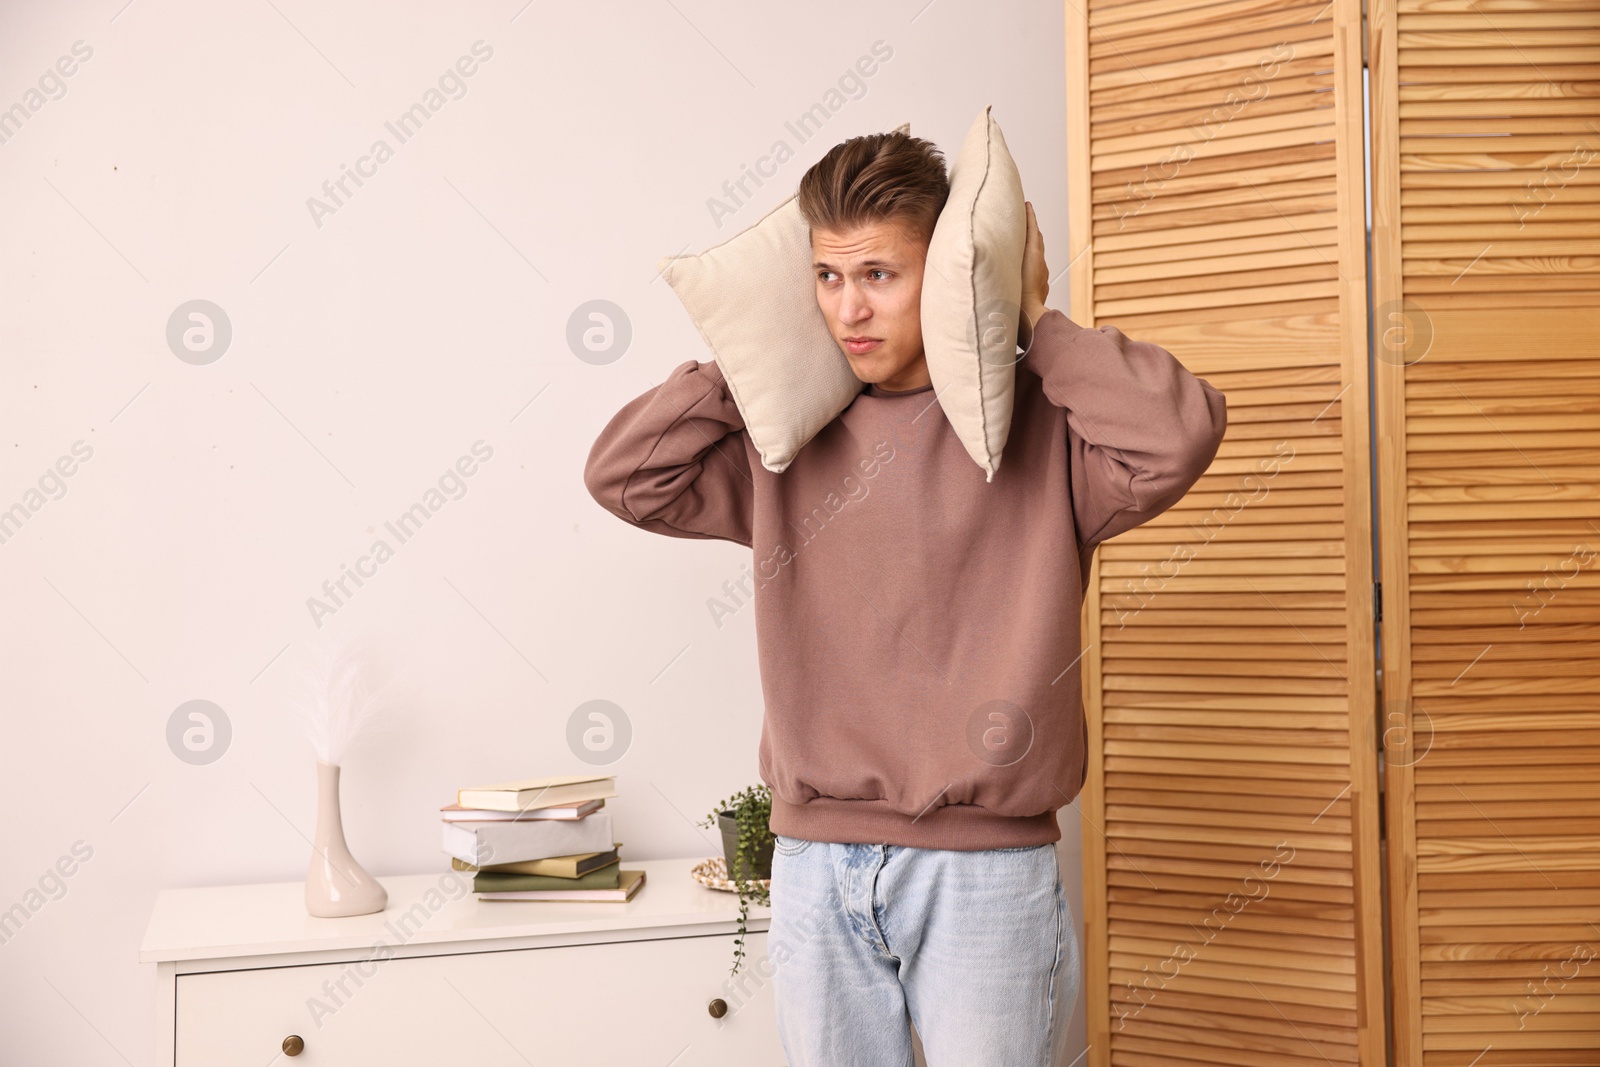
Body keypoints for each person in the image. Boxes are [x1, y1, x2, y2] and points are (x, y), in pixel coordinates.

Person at [583, 130, 1227, 1066]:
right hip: (811, 867)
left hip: (987, 874)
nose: (850, 307)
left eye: (881, 273)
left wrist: (1036, 321)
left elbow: (1179, 435)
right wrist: (752, 356)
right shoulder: (782, 446)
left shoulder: (1049, 432)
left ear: (951, 272)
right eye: (827, 277)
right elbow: (624, 477)